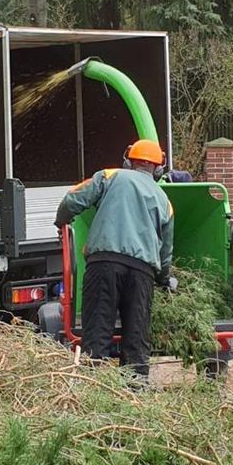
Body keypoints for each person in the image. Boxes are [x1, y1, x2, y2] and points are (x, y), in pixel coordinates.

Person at [54, 139, 174, 377]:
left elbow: (72, 200)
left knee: (97, 332)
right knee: (137, 336)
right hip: (142, 272)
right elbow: (165, 250)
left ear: (128, 161)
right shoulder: (164, 201)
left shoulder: (109, 176)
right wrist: (164, 278)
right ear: (158, 169)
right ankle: (136, 390)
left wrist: (61, 221)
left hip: (103, 264)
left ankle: (96, 389)